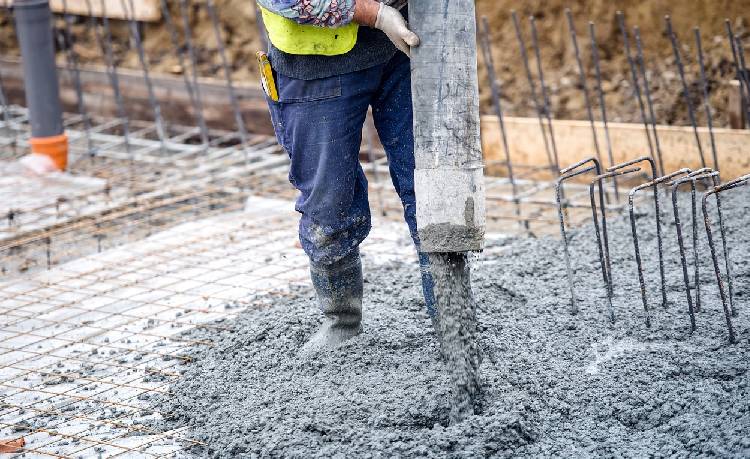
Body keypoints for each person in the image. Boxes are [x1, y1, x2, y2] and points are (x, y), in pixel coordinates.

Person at [256, 0, 434, 354]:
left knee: (432, 185)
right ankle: (342, 320)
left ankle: (453, 317)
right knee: (328, 200)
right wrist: (377, 15)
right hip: (316, 63)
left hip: (407, 47)